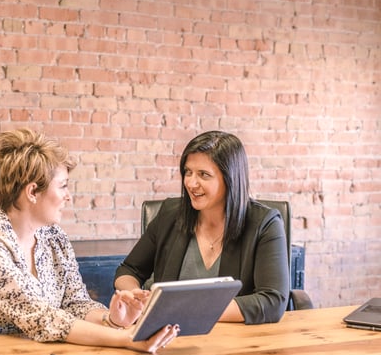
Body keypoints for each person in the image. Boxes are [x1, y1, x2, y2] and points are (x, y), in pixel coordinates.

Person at [0, 128, 178, 353]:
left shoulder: (53, 236)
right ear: (32, 192)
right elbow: (42, 318)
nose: (68, 196)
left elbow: (75, 303)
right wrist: (127, 338)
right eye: (62, 186)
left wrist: (113, 320)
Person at [114, 130, 290, 324]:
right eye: (188, 172)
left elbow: (272, 301)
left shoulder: (265, 223)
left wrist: (184, 310)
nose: (191, 183)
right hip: (168, 338)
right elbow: (128, 270)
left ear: (230, 179)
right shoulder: (170, 214)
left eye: (204, 175)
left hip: (235, 341)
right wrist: (134, 296)